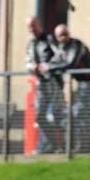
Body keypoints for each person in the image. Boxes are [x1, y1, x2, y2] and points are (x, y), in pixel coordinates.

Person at [40, 24, 90, 152]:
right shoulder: (62, 47)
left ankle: (82, 147)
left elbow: (71, 63)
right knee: (73, 113)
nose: (64, 37)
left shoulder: (76, 45)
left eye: (66, 33)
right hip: (81, 83)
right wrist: (46, 66)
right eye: (61, 35)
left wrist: (49, 67)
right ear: (57, 37)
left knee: (79, 111)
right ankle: (72, 146)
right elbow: (57, 61)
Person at [25, 15, 64, 153]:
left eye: (33, 26)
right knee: (39, 116)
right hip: (41, 83)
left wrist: (48, 65)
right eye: (29, 27)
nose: (31, 29)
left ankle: (57, 147)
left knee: (53, 115)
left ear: (39, 25)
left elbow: (60, 55)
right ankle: (53, 145)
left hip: (54, 82)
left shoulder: (49, 39)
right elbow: (27, 62)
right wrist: (32, 67)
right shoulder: (30, 44)